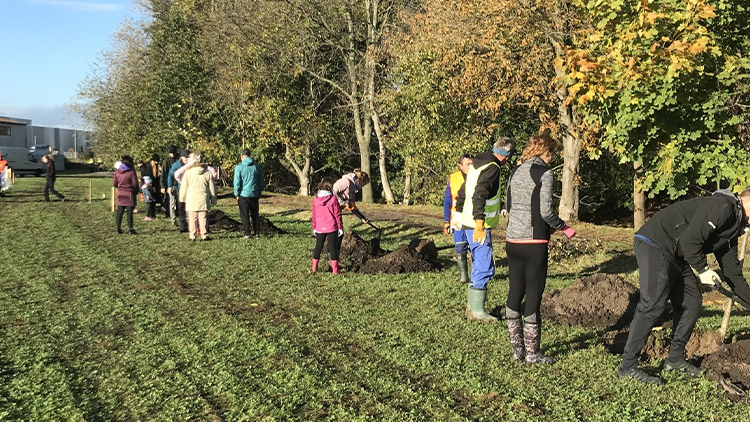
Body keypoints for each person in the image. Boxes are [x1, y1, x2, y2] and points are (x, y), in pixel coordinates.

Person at [618, 188, 750, 385]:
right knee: (653, 303)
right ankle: (628, 366)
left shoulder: (733, 227)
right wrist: (703, 270)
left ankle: (675, 359)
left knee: (692, 301)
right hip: (655, 242)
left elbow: (732, 273)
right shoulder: (723, 208)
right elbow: (690, 242)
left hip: (675, 253)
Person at [504, 132, 576, 364]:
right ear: (545, 151)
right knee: (533, 297)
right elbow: (545, 212)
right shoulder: (544, 174)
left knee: (514, 294)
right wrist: (563, 227)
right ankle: (533, 354)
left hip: (512, 241)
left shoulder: (515, 171)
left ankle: (518, 351)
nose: (552, 157)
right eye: (552, 152)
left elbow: (509, 205)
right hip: (534, 242)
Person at [454, 136, 515, 322]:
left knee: (479, 263)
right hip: (477, 224)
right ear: (507, 155)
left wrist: (458, 212)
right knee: (485, 264)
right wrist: (480, 222)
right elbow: (479, 193)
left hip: (467, 221)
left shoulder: (477, 163)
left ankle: (472, 306)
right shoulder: (492, 167)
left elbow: (464, 190)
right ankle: (477, 311)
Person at [443, 154, 473, 283]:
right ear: (460, 166)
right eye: (467, 164)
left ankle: (476, 275)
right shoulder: (454, 178)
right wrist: (446, 221)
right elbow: (447, 201)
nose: (470, 167)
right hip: (457, 217)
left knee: (474, 246)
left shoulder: (479, 176)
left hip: (473, 216)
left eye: (472, 164)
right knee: (460, 247)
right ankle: (464, 277)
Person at [179, 153, 217, 241]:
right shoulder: (207, 173)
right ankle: (204, 235)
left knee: (192, 218)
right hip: (203, 198)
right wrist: (213, 199)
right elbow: (212, 188)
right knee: (203, 217)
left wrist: (182, 198)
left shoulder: (188, 173)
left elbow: (184, 188)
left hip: (191, 199)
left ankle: (192, 235)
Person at [311, 178, 344, 274]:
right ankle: (335, 270)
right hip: (331, 227)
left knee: (318, 247)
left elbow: (314, 214)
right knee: (332, 247)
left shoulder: (316, 200)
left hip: (319, 227)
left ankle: (314, 268)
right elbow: (337, 214)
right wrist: (340, 227)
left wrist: (314, 227)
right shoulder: (333, 199)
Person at [233, 149, 265, 239]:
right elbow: (261, 180)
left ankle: (247, 233)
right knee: (255, 214)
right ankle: (257, 233)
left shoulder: (239, 167)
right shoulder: (256, 167)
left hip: (243, 194)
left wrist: (237, 193)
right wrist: (259, 191)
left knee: (244, 215)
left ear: (241, 156)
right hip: (254, 194)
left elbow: (237, 182)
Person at [113, 156, 139, 234]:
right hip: (129, 193)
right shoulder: (131, 172)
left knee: (120, 212)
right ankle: (130, 229)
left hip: (120, 193)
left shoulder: (117, 172)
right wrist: (136, 191)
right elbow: (135, 184)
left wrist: (119, 187)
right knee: (129, 212)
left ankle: (118, 229)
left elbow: (114, 183)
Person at [168, 149, 190, 233]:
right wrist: (169, 186)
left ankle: (191, 225)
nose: (187, 159)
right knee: (181, 208)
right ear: (182, 157)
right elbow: (170, 175)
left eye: (189, 157)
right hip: (181, 189)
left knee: (189, 208)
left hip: (191, 189)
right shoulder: (176, 165)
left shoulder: (191, 165)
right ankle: (183, 226)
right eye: (186, 157)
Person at [161, 146, 178, 221]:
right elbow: (163, 174)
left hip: (178, 182)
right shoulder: (166, 161)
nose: (172, 154)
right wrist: (162, 186)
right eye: (171, 153)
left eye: (174, 153)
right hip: (170, 183)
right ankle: (172, 217)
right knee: (171, 201)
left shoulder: (178, 160)